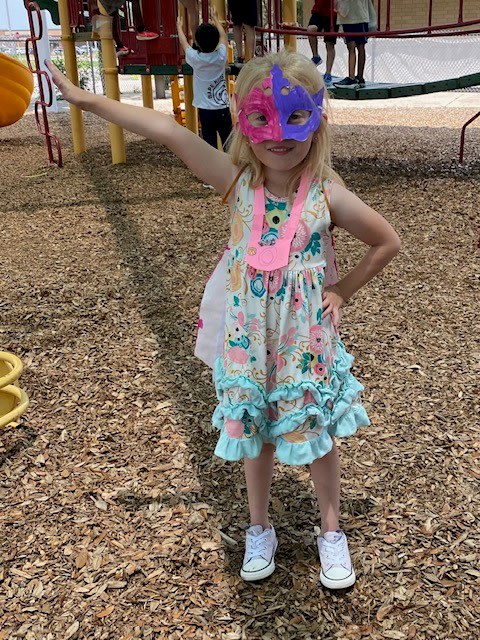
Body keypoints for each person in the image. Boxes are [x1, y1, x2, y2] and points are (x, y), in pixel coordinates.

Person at [47, 49, 400, 589]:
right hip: (247, 344)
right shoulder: (235, 183)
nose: (278, 134)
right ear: (243, 121)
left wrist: (341, 291)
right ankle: (260, 527)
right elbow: (168, 131)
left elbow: (386, 241)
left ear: (317, 119)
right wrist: (85, 100)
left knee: (318, 434)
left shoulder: (327, 195)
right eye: (261, 117)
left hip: (304, 343)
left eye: (294, 117)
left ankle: (331, 530)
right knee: (255, 433)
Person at [177, 9, 232, 152]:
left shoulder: (195, 59)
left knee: (209, 145)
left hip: (206, 111)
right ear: (216, 42)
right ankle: (230, 164)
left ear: (197, 43)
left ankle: (213, 165)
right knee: (229, 144)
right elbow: (223, 37)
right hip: (223, 109)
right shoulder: (221, 57)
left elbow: (184, 43)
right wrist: (216, 19)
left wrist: (179, 28)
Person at [334, 0, 377, 87]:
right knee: (353, 47)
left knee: (359, 47)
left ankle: (358, 77)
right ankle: (353, 77)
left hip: (358, 17)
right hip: (350, 18)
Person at [307, 0, 339, 86]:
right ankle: (316, 56)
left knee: (330, 44)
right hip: (318, 11)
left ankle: (328, 73)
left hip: (332, 13)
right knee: (311, 29)